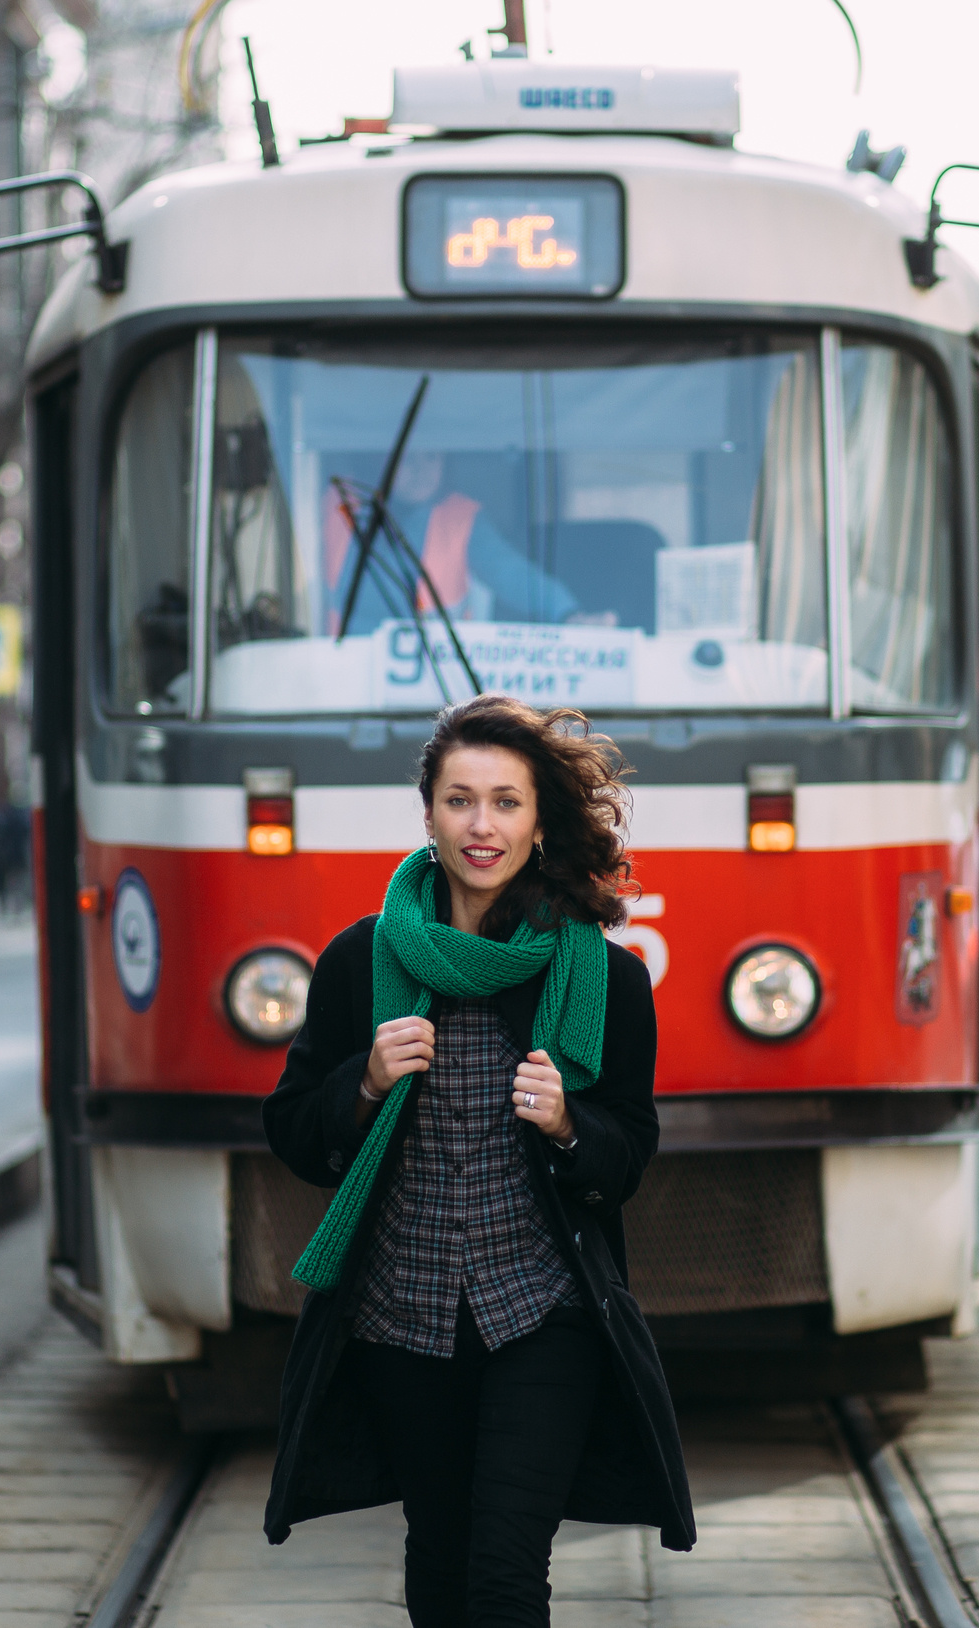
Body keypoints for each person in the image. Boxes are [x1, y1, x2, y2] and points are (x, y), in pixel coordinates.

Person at [262, 694, 693, 1626]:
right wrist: (364, 1083)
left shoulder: (604, 977)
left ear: (539, 823)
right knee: (441, 1556)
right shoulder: (358, 963)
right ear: (427, 816)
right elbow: (295, 1131)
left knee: (505, 1574)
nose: (482, 825)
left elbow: (630, 1153)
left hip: (545, 1313)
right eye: (460, 801)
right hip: (401, 1318)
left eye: (505, 802)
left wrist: (570, 1125)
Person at [327, 451, 586, 637]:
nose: (422, 469)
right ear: (378, 456)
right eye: (408, 456)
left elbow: (512, 574)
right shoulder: (332, 507)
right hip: (343, 673)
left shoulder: (461, 518)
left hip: (431, 678)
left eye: (432, 456)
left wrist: (565, 612)